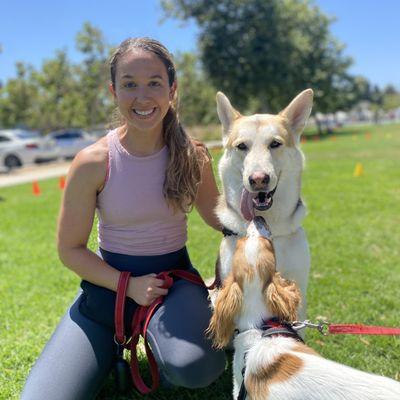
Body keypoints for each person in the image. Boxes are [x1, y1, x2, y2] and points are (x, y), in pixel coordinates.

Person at [21, 37, 226, 400]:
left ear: (172, 90)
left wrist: (261, 214)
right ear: (113, 91)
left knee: (198, 368)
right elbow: (70, 250)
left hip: (173, 284)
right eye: (130, 84)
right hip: (109, 286)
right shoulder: (93, 162)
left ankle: (162, 331)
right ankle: (110, 342)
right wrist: (127, 285)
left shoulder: (194, 155)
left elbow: (219, 218)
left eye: (154, 83)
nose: (142, 97)